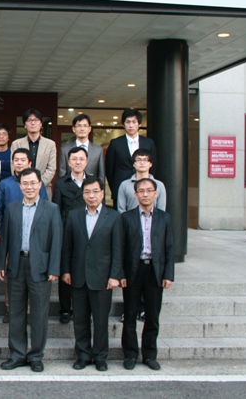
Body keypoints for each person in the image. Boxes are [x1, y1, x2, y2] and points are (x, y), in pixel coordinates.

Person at [0, 168, 62, 373]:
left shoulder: (51, 209)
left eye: (33, 183)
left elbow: (56, 240)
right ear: (20, 186)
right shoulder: (12, 208)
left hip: (40, 267)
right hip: (16, 264)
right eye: (25, 183)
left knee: (39, 314)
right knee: (16, 313)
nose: (29, 187)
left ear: (40, 184)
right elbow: (5, 238)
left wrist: (54, 268)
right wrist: (1, 263)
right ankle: (17, 354)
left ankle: (36, 356)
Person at [61, 177, 121, 372]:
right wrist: (66, 270)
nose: (91, 196)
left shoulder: (113, 217)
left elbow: (117, 249)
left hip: (102, 278)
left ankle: (100, 356)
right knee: (80, 319)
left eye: (95, 191)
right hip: (78, 276)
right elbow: (67, 246)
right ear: (83, 195)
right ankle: (83, 355)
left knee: (101, 320)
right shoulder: (74, 215)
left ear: (102, 194)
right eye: (87, 192)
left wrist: (115, 275)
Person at [118, 178, 174, 372]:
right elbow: (121, 248)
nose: (145, 194)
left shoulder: (164, 218)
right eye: (141, 191)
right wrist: (120, 273)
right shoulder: (127, 218)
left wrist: (168, 274)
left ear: (156, 194)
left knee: (152, 315)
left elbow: (169, 247)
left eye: (149, 190)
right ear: (135, 195)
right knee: (130, 314)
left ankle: (149, 355)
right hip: (133, 270)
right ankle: (130, 354)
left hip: (154, 271)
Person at [0, 148, 47, 324]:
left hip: (34, 237)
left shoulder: (37, 184)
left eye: (23, 159)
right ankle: (10, 308)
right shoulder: (5, 184)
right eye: (16, 160)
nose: (19, 162)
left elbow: (44, 208)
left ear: (29, 162)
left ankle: (30, 311)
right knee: (10, 276)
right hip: (11, 237)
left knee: (32, 276)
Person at [52, 146, 93, 324]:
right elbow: (56, 210)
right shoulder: (61, 183)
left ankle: (84, 308)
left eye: (81, 159)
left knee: (86, 268)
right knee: (66, 270)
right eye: (74, 159)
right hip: (67, 232)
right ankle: (65, 309)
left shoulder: (93, 182)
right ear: (68, 162)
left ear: (87, 162)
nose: (78, 162)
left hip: (89, 230)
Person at [105, 109, 157, 208]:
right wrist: (116, 187)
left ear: (139, 124)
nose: (131, 125)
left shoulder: (148, 143)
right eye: (128, 122)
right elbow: (109, 169)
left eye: (134, 122)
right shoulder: (115, 143)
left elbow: (153, 166)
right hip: (120, 188)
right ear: (123, 124)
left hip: (144, 189)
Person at [11, 109, 57, 198]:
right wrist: (25, 183)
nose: (33, 123)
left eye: (36, 120)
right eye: (29, 120)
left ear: (41, 124)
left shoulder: (50, 144)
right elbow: (14, 166)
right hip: (22, 188)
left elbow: (51, 168)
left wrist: (37, 184)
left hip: (43, 187)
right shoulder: (16, 144)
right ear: (25, 125)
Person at [58, 114, 105, 184]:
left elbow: (101, 176)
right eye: (79, 126)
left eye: (85, 126)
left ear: (89, 129)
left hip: (91, 188)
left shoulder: (98, 150)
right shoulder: (65, 150)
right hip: (71, 189)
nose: (82, 129)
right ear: (74, 129)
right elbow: (62, 175)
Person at [116, 148, 167, 213]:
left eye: (145, 160)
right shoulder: (124, 185)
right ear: (133, 164)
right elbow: (121, 210)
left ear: (150, 164)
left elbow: (161, 211)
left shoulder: (159, 185)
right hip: (130, 219)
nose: (142, 163)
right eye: (139, 160)